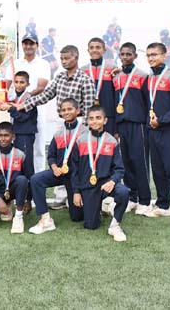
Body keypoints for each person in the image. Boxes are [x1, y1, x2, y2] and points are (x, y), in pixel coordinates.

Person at [16, 44, 95, 209]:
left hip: (80, 124)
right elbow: (46, 95)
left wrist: (87, 131)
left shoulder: (85, 79)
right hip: (62, 123)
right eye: (62, 59)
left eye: (67, 58)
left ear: (76, 58)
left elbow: (89, 108)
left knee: (78, 160)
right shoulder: (59, 77)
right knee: (61, 157)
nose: (64, 61)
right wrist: (24, 105)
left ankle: (81, 194)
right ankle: (61, 197)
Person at [143, 42, 170, 225]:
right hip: (152, 130)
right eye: (148, 55)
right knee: (158, 170)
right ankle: (163, 205)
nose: (151, 58)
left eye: (154, 54)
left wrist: (161, 120)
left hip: (168, 130)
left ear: (164, 55)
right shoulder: (148, 78)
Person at [70, 106, 129, 242]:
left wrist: (113, 181)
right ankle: (100, 208)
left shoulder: (112, 141)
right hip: (88, 185)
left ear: (105, 120)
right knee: (91, 225)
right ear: (87, 121)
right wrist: (76, 192)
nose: (95, 121)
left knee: (123, 192)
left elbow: (120, 168)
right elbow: (75, 170)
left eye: (98, 118)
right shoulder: (80, 141)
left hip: (105, 184)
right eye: (91, 118)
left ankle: (115, 225)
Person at [28, 98, 85, 234]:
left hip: (77, 177)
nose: (66, 112)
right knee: (36, 179)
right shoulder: (58, 133)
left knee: (77, 217)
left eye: (70, 109)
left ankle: (95, 204)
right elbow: (51, 156)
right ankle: (45, 219)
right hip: (60, 173)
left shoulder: (85, 132)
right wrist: (54, 168)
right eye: (63, 110)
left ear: (77, 110)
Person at [112, 42, 152, 215]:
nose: (125, 57)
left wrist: (147, 123)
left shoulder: (143, 76)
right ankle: (132, 197)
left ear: (135, 56)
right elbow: (115, 103)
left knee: (139, 162)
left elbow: (148, 102)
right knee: (126, 162)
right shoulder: (116, 78)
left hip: (138, 124)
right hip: (122, 124)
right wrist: (115, 128)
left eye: (129, 54)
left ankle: (145, 200)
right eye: (122, 54)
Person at [5, 32, 51, 176]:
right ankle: (20, 178)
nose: (28, 46)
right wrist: (8, 101)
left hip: (36, 109)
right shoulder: (15, 63)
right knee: (18, 145)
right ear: (22, 45)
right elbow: (6, 86)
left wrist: (25, 100)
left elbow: (41, 87)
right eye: (26, 43)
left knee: (38, 146)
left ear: (37, 45)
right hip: (17, 111)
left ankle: (38, 178)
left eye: (31, 43)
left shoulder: (43, 63)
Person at [0, 71, 37, 213]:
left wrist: (10, 109)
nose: (19, 85)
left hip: (25, 135)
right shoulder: (14, 97)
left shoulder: (29, 98)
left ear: (28, 84)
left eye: (22, 82)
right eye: (16, 82)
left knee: (27, 167)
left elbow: (23, 118)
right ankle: (15, 196)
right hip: (16, 135)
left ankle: (29, 200)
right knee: (16, 166)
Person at [82, 37, 117, 134]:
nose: (94, 50)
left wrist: (116, 126)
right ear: (88, 50)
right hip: (89, 117)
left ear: (104, 50)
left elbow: (117, 96)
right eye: (91, 48)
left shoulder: (112, 68)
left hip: (108, 116)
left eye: (98, 47)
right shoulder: (83, 70)